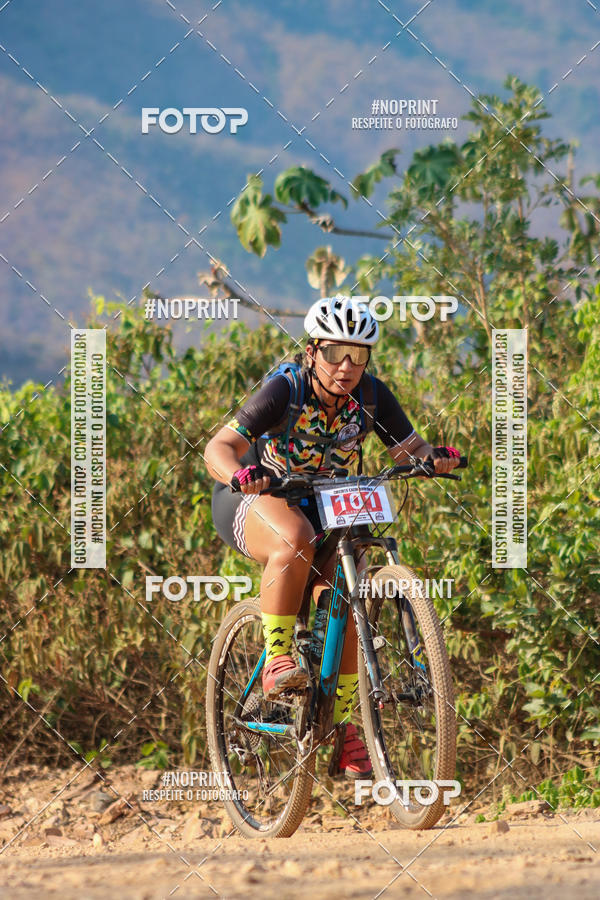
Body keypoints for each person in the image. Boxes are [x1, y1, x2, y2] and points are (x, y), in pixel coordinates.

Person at [205, 296, 461, 777]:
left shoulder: (372, 396)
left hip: (331, 506)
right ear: (312, 351)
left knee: (348, 593)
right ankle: (278, 658)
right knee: (296, 536)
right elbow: (219, 446)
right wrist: (240, 473)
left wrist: (433, 457)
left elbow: (409, 449)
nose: (347, 367)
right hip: (254, 499)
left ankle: (340, 726)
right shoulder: (285, 389)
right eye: (336, 353)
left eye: (359, 355)